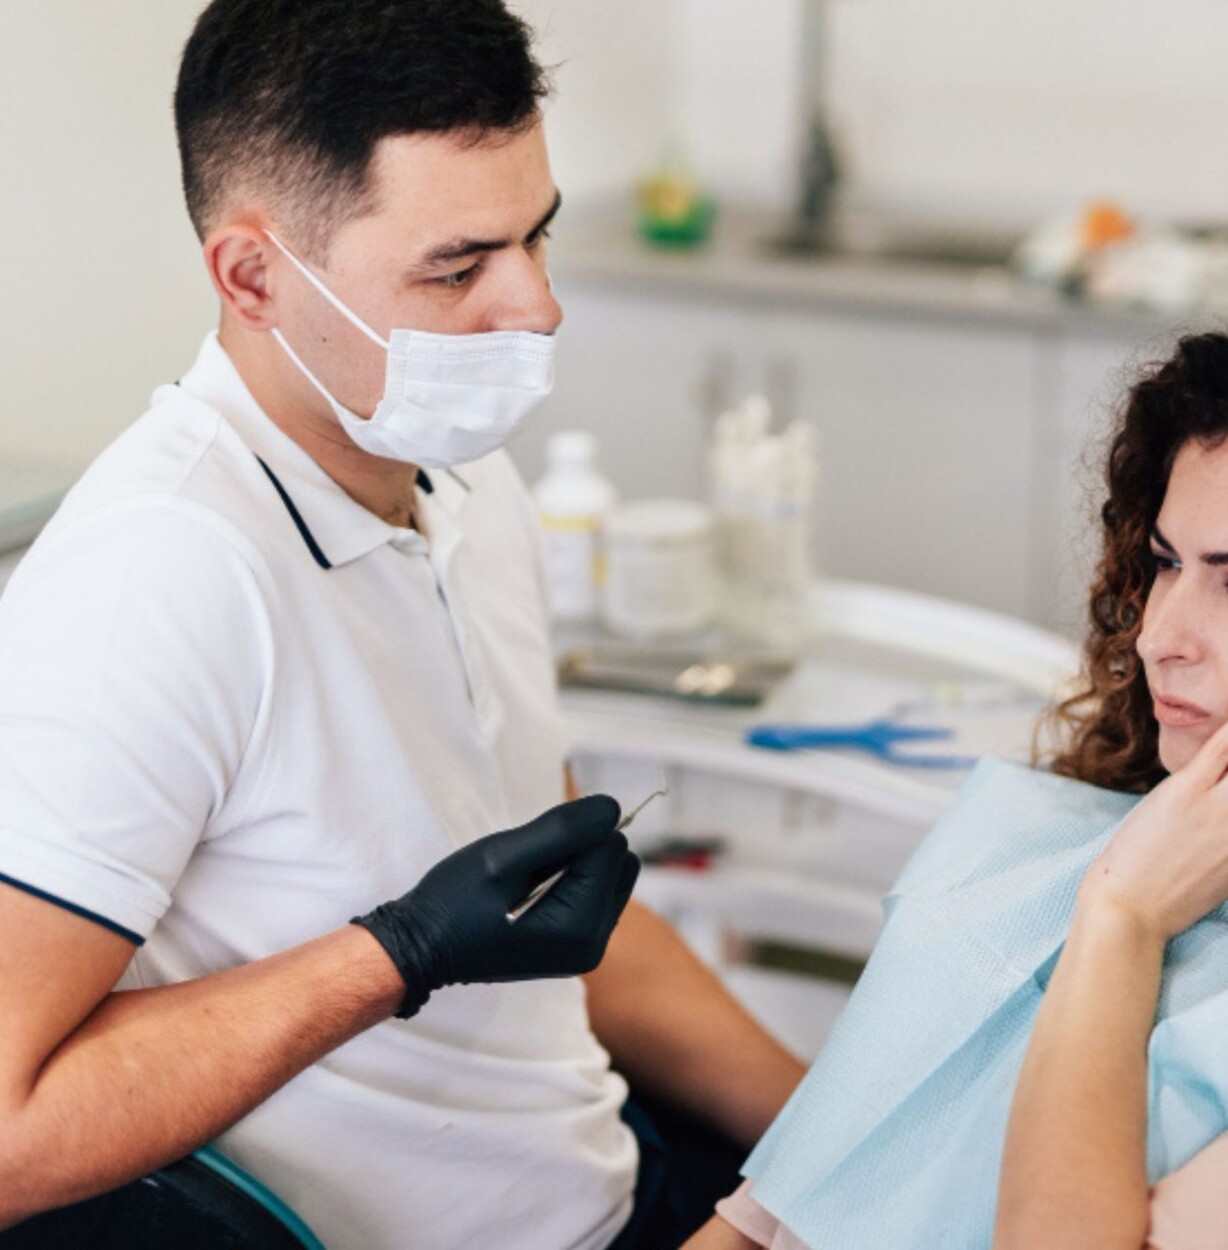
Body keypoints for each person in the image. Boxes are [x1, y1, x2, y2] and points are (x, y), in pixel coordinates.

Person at [0, 3, 804, 1248]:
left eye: (537, 238)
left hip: (608, 1183)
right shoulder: (159, 577)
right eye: (458, 264)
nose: (535, 308)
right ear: (254, 276)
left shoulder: (468, 483)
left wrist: (825, 1135)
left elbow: (566, 918)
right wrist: (398, 951)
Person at [689, 324, 1228, 1250]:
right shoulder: (1043, 840)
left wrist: (1121, 921)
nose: (1161, 636)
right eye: (1165, 563)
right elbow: (773, 1214)